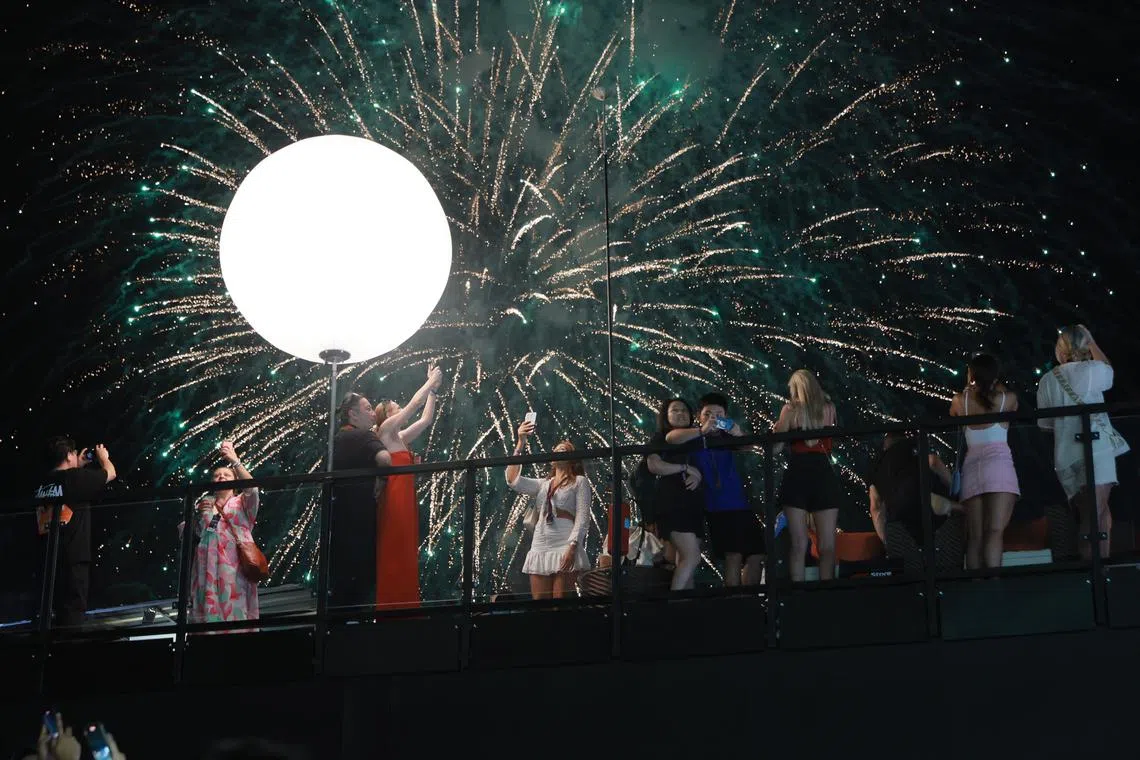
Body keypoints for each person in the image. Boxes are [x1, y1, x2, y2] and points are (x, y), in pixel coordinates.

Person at [1037, 324, 1126, 560]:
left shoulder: (1047, 380)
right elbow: (1108, 371)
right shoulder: (1093, 370)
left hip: (1066, 454)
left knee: (1092, 513)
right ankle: (1096, 573)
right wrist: (1092, 341)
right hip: (1096, 448)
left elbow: (1045, 425)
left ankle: (1097, 570)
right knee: (1096, 515)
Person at [667, 392, 764, 586]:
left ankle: (749, 600)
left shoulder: (727, 437)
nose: (713, 418)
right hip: (716, 506)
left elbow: (754, 447)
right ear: (699, 416)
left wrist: (739, 434)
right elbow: (671, 438)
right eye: (708, 414)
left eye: (719, 414)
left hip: (740, 503)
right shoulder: (694, 437)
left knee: (758, 554)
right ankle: (734, 603)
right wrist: (702, 430)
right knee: (733, 555)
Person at [372, 364, 443, 609]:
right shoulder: (386, 430)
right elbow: (414, 405)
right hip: (394, 498)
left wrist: (433, 390)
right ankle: (393, 607)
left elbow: (426, 420)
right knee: (396, 548)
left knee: (405, 549)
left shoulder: (398, 437)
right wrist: (430, 381)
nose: (400, 407)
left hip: (404, 496)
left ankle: (406, 605)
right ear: (388, 414)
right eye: (395, 407)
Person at [33, 436, 116, 628]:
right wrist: (103, 457)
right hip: (72, 558)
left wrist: (77, 466)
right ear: (69, 455)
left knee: (47, 612)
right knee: (72, 613)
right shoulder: (75, 479)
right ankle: (68, 652)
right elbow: (110, 473)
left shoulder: (41, 483)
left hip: (45, 559)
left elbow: (66, 489)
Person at [506, 420, 592, 599]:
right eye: (557, 450)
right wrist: (520, 442)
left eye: (564, 450)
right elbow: (513, 480)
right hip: (540, 543)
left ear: (572, 459)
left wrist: (573, 546)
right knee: (540, 603)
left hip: (564, 541)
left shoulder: (579, 482)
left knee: (560, 600)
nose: (559, 451)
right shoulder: (543, 485)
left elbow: (582, 518)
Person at [950, 353, 1020, 569]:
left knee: (975, 537)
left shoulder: (961, 401)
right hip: (999, 466)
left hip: (973, 467)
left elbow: (955, 416)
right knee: (995, 531)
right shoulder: (1007, 399)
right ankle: (994, 585)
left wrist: (968, 387)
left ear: (971, 374)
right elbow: (1013, 409)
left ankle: (975, 585)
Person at [773, 370, 842, 581]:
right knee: (827, 545)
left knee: (798, 543)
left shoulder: (790, 410)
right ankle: (826, 591)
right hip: (823, 474)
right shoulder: (830, 409)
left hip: (798, 475)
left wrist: (777, 428)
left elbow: (775, 447)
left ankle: (798, 592)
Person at [331, 392, 392, 609]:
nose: (373, 413)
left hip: (338, 522)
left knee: (341, 589)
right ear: (353, 415)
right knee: (362, 588)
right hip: (363, 520)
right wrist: (382, 479)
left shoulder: (337, 439)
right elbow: (385, 459)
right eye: (367, 408)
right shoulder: (364, 437)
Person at [188, 441, 260, 624]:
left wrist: (234, 461)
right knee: (206, 614)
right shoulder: (204, 505)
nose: (220, 477)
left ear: (235, 481)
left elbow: (252, 488)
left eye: (226, 475)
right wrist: (198, 515)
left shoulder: (241, 503)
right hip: (206, 569)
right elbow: (195, 534)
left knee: (235, 612)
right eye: (217, 475)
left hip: (234, 569)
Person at [645, 398, 704, 590]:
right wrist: (685, 468)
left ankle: (685, 607)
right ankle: (674, 604)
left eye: (685, 411)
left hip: (692, 504)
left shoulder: (696, 440)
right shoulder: (661, 437)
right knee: (691, 557)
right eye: (675, 411)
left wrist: (696, 474)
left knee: (685, 560)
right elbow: (654, 465)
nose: (681, 414)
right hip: (673, 502)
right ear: (665, 416)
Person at [868, 432, 960, 546]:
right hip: (924, 502)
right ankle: (956, 506)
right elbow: (933, 461)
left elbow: (875, 507)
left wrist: (885, 540)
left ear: (884, 447)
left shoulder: (877, 468)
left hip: (898, 518)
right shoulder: (910, 447)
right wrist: (953, 490)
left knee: (912, 556)